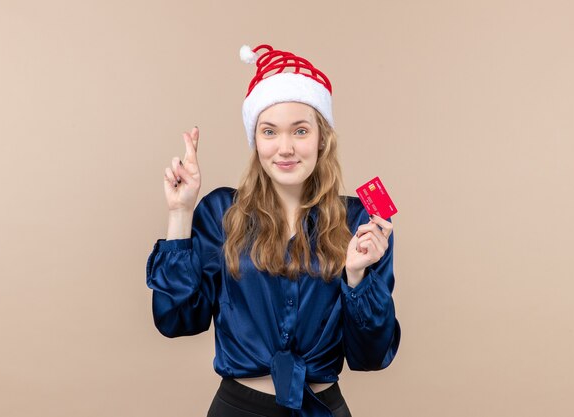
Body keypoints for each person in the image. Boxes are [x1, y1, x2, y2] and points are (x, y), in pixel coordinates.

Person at [146, 44, 401, 417]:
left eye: (300, 130)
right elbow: (177, 320)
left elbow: (372, 356)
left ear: (321, 138)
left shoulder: (360, 220)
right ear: (256, 141)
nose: (285, 148)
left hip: (322, 407)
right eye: (270, 132)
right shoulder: (222, 212)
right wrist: (181, 214)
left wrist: (357, 276)